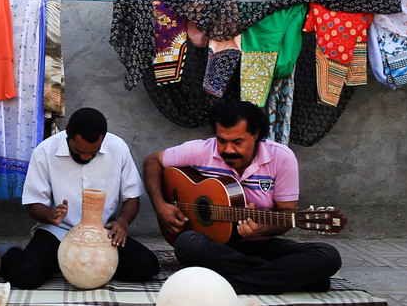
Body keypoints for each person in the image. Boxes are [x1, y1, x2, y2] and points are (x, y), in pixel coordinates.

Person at [142, 100, 341, 295]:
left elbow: (286, 215)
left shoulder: (281, 158)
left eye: (237, 142)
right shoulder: (200, 151)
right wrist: (161, 207)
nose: (228, 149)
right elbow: (152, 162)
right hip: (216, 247)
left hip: (261, 245)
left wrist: (264, 228)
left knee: (328, 255)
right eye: (222, 141)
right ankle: (282, 276)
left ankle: (235, 282)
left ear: (255, 135)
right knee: (187, 244)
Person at [0, 107, 160, 289]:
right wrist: (51, 215)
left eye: (93, 153)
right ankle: (12, 253)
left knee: (147, 265)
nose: (86, 156)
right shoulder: (45, 151)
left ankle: (65, 263)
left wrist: (122, 222)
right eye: (79, 151)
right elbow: (35, 204)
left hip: (102, 234)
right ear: (67, 131)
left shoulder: (118, 148)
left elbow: (131, 196)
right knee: (25, 275)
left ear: (103, 138)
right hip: (59, 232)